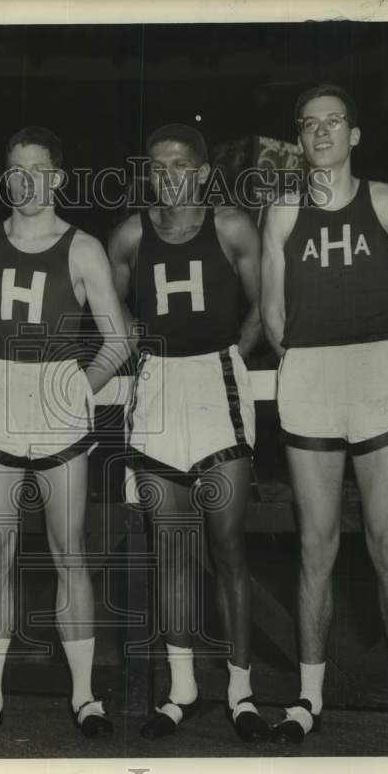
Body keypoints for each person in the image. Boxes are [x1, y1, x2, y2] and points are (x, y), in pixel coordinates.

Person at [260, 85, 388, 748]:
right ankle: (308, 699)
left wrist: (380, 362)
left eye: (334, 122)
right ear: (300, 139)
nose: (323, 133)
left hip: (374, 372)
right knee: (315, 546)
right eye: (310, 125)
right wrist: (311, 365)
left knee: (387, 542)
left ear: (354, 135)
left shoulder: (385, 200)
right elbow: (274, 316)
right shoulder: (280, 214)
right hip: (309, 372)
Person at [0, 126, 129, 738]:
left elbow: (119, 341)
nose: (26, 180)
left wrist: (79, 386)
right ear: (6, 178)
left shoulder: (82, 249)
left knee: (67, 552)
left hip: (59, 406)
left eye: (38, 169)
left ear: (57, 177)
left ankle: (85, 696)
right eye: (15, 169)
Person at [108, 124, 265, 742]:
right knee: (170, 548)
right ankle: (182, 689)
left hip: (217, 383)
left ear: (201, 170)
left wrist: (234, 355)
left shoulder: (231, 227)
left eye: (179, 164)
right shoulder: (126, 235)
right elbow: (106, 305)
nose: (168, 174)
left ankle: (242, 691)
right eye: (156, 165)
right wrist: (132, 347)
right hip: (156, 390)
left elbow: (264, 307)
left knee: (227, 545)